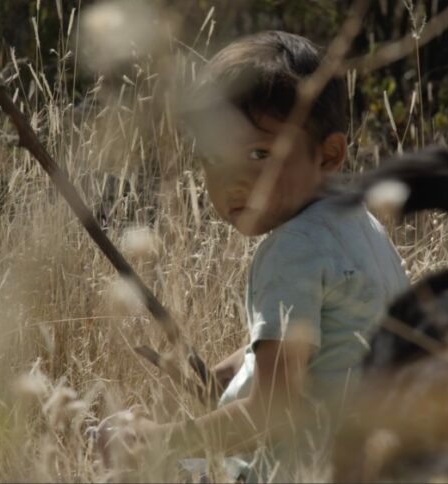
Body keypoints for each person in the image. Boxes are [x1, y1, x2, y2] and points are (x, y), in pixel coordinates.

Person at [97, 30, 409, 482]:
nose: (233, 180)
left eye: (259, 153)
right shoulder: (358, 224)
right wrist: (220, 376)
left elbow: (271, 412)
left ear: (329, 154)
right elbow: (319, 336)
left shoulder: (292, 250)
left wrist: (158, 440)